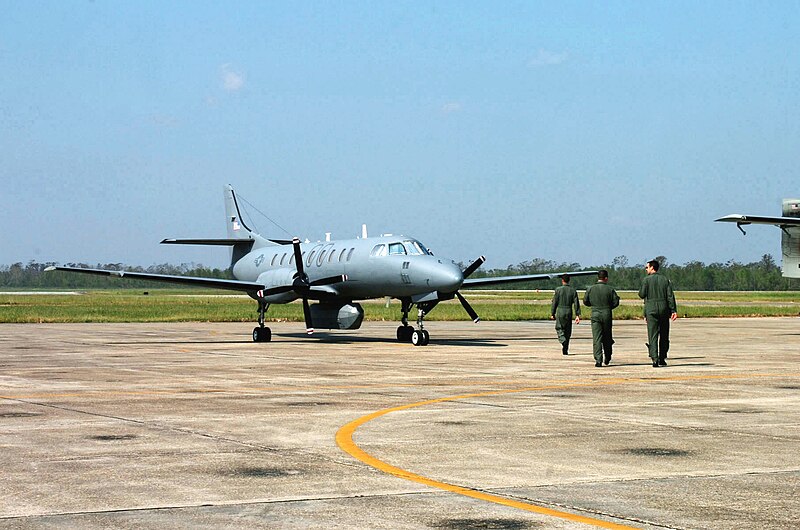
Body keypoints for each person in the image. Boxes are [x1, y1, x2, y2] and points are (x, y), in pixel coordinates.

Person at [638, 259, 678, 367]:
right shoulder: (665, 280)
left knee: (653, 334)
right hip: (664, 309)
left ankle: (654, 358)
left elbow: (642, 295)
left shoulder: (646, 280)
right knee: (664, 334)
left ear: (652, 267)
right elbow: (670, 296)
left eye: (647, 267)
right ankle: (662, 358)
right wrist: (673, 310)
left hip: (651, 309)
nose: (646, 269)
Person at [583, 270, 620, 367]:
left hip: (595, 313)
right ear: (606, 278)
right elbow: (616, 302)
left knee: (597, 338)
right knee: (607, 336)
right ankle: (607, 357)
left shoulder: (590, 289)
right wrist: (608, 307)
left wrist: (594, 305)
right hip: (607, 313)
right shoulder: (610, 289)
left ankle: (598, 360)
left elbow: (585, 301)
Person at [550, 274, 581, 355]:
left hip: (560, 310)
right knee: (568, 330)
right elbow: (576, 303)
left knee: (559, 328)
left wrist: (552, 313)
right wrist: (577, 315)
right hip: (569, 311)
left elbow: (554, 302)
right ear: (569, 280)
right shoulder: (573, 290)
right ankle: (566, 348)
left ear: (562, 280)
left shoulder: (558, 290)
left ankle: (563, 340)